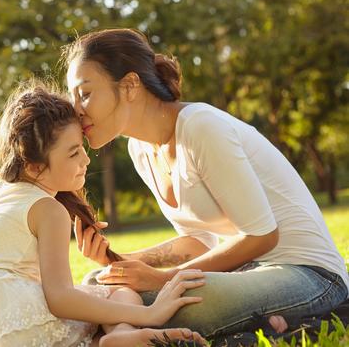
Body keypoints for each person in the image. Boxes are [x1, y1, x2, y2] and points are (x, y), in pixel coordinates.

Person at [61, 28, 349, 338]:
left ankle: (130, 330)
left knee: (169, 303)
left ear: (130, 85)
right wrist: (119, 262)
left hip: (309, 275)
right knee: (99, 282)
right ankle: (260, 330)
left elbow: (263, 236)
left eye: (85, 94)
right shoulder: (140, 150)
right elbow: (198, 241)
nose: (76, 110)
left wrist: (164, 280)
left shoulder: (200, 127)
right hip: (247, 273)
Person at [0, 83, 207, 346]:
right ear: (34, 166)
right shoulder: (48, 209)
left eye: (82, 147)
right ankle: (120, 336)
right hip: (15, 318)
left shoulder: (2, 192)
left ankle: (109, 340)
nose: (86, 160)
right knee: (119, 293)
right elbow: (61, 299)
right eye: (73, 152)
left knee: (91, 326)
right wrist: (149, 313)